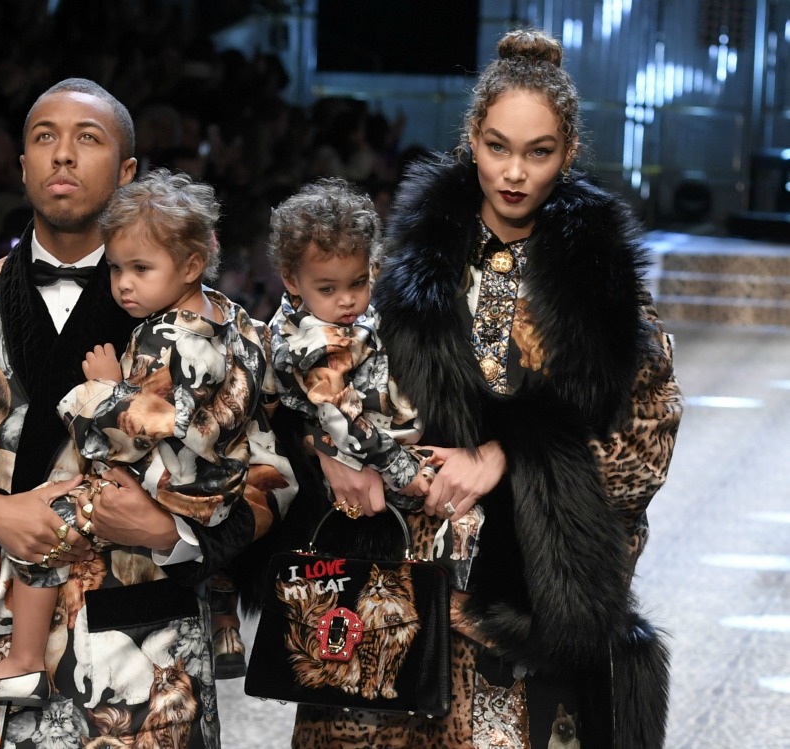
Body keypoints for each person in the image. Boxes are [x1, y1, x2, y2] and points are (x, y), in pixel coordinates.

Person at [288, 29, 683, 748]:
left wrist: (510, 454)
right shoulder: (398, 268)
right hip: (387, 589)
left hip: (511, 609)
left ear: (569, 152)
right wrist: (326, 448)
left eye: (539, 152)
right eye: (498, 146)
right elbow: (300, 368)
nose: (514, 173)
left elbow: (644, 447)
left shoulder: (599, 290)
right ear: (471, 138)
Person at [0, 79, 294, 748]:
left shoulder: (210, 326)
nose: (63, 154)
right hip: (1, 654)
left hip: (152, 660)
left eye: (88, 138)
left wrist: (173, 533)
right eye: (44, 137)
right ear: (23, 166)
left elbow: (272, 473)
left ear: (128, 170)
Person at [0, 167, 269, 704]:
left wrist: (103, 389)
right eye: (116, 268)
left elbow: (135, 431)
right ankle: (223, 628)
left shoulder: (167, 337)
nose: (124, 284)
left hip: (165, 503)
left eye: (140, 268)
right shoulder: (235, 323)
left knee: (46, 525)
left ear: (192, 264)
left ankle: (22, 661)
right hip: (205, 491)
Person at [265, 177, 483, 587]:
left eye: (357, 282)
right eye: (327, 288)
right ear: (292, 280)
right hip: (368, 457)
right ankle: (449, 597)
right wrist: (403, 469)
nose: (347, 299)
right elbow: (342, 422)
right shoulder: (309, 343)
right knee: (458, 517)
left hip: (392, 442)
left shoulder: (347, 309)